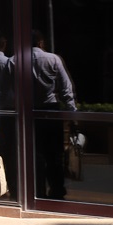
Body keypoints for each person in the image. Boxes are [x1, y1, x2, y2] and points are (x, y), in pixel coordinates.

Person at [30, 30, 76, 200]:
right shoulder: (53, 59)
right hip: (51, 109)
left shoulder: (15, 61)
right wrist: (72, 112)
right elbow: (65, 87)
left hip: (29, 110)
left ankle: (36, 190)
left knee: (34, 153)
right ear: (41, 42)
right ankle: (57, 190)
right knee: (54, 153)